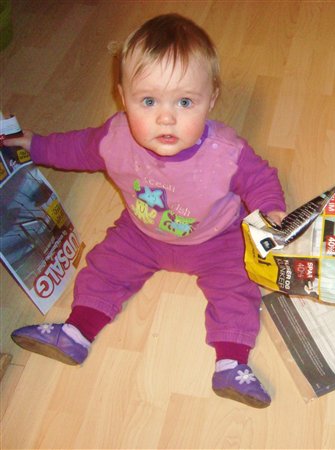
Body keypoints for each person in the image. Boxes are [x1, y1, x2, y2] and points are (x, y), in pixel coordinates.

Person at [4, 13, 286, 409]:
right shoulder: (114, 137)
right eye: (148, 101)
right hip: (141, 232)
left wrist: (272, 212)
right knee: (104, 266)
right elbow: (76, 148)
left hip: (216, 239)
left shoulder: (226, 152)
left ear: (211, 99)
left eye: (185, 102)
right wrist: (36, 145)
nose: (166, 117)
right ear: (123, 97)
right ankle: (76, 332)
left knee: (238, 288)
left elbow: (260, 179)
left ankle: (232, 363)